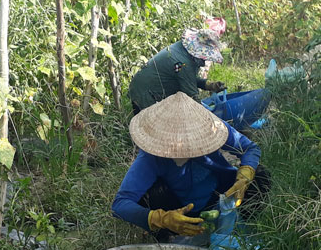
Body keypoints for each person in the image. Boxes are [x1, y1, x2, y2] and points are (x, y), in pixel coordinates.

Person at [112, 92, 269, 239]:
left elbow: (250, 148)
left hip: (220, 193)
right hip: (180, 209)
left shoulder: (211, 126)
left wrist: (245, 175)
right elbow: (120, 204)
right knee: (151, 194)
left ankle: (245, 231)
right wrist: (161, 219)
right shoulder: (151, 157)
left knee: (260, 176)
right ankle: (169, 238)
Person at [127, 27, 227, 115]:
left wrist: (209, 85)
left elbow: (187, 79)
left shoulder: (182, 49)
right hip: (146, 94)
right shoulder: (183, 62)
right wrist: (207, 117)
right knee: (153, 131)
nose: (204, 61)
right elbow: (192, 96)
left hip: (142, 87)